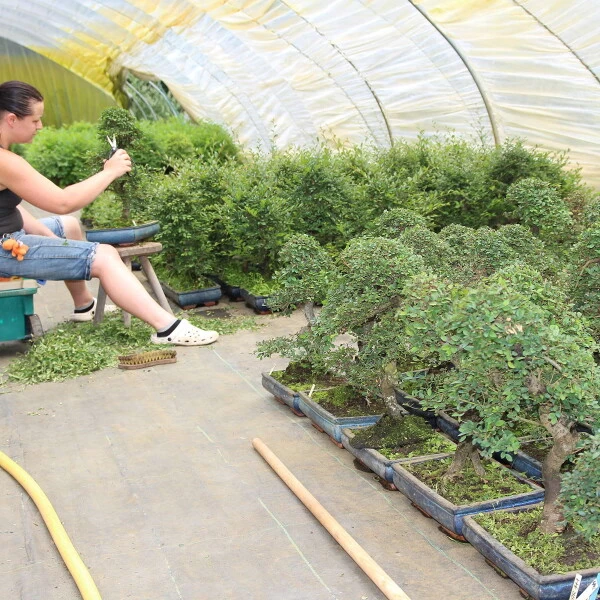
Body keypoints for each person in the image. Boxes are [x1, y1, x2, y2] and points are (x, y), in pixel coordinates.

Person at [0, 80, 218, 346]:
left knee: (69, 226)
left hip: (9, 235)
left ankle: (84, 305)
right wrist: (110, 172)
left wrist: (48, 236)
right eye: (35, 120)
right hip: (6, 247)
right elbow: (63, 201)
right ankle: (167, 327)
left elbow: (10, 206)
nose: (40, 126)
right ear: (12, 119)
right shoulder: (5, 161)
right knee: (104, 256)